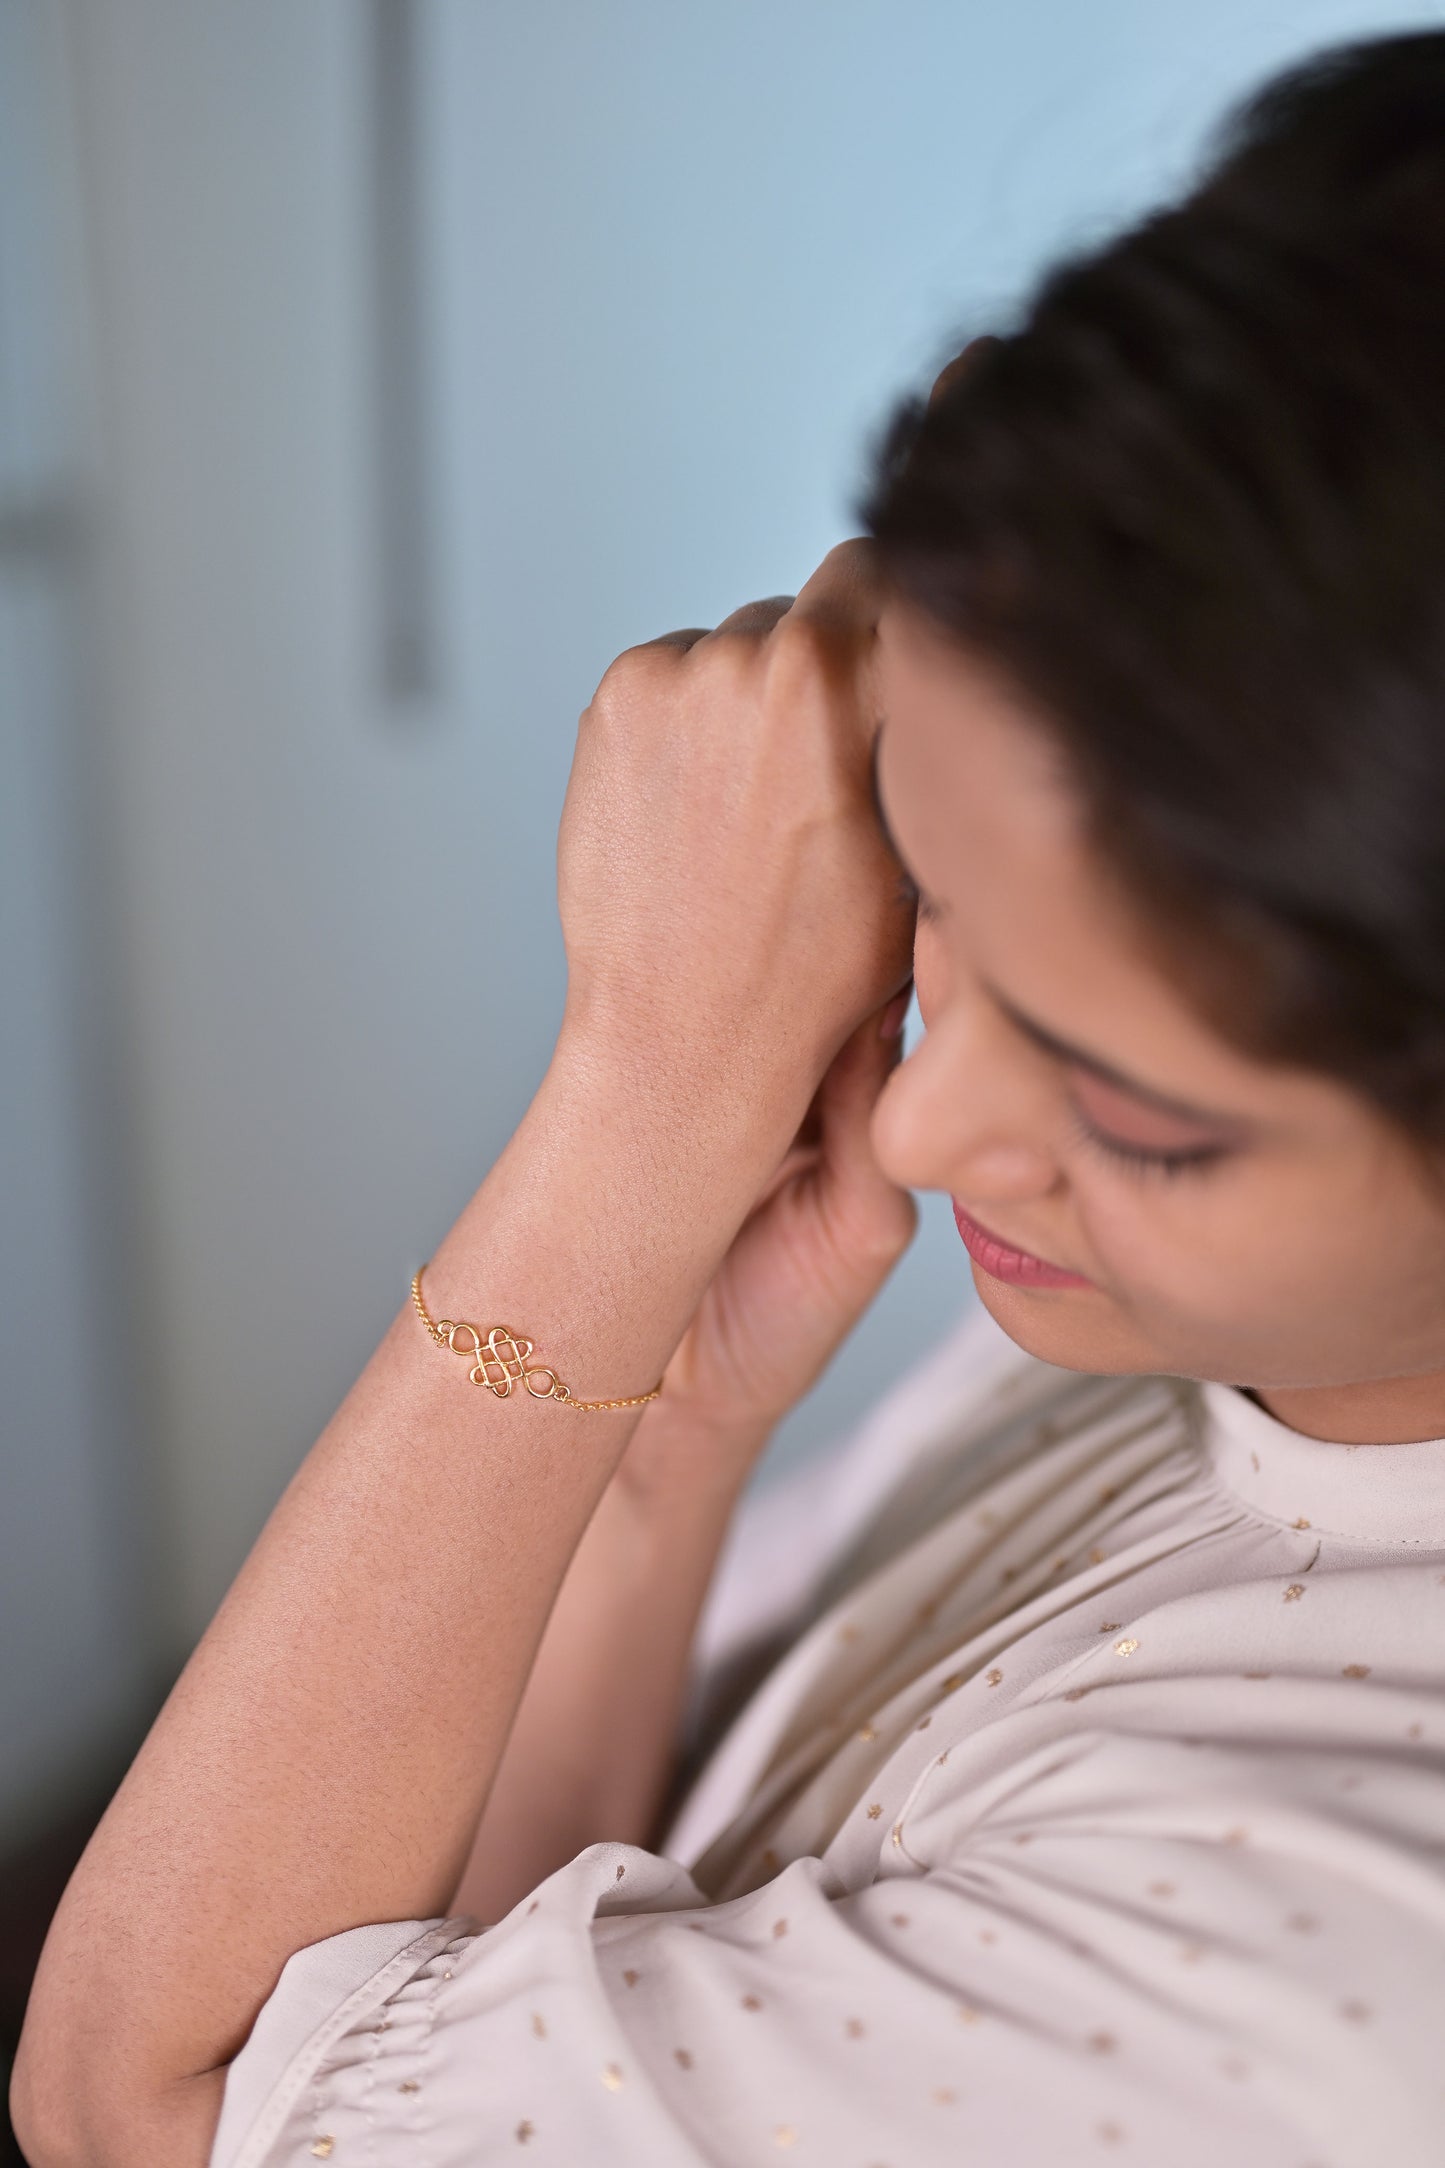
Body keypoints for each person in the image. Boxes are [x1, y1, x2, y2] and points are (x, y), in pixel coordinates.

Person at [14, 27, 1445, 2168]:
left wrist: (626, 1124)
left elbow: (162, 2103)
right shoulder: (1267, 1350)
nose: (925, 1122)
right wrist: (678, 1437)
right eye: (934, 903)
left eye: (1143, 1116)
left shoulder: (1283, 1987)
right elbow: (485, 1986)